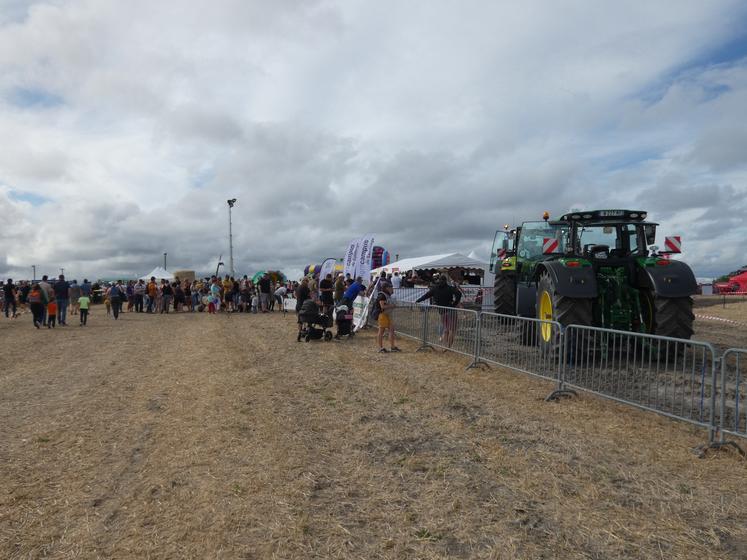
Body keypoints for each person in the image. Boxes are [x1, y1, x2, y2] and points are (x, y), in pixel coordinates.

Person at [415, 275, 462, 349]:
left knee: (446, 329)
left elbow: (426, 295)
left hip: (442, 312)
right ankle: (448, 347)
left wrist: (418, 300)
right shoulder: (449, 288)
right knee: (452, 330)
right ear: (446, 281)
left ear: (438, 280)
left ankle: (444, 347)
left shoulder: (435, 288)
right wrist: (455, 303)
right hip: (450, 310)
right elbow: (459, 294)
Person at [374, 283, 400, 353]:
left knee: (391, 330)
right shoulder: (382, 295)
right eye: (391, 287)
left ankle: (392, 347)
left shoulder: (388, 295)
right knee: (381, 331)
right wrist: (392, 306)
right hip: (382, 314)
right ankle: (380, 347)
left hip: (388, 314)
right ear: (386, 288)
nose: (392, 288)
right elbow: (382, 306)